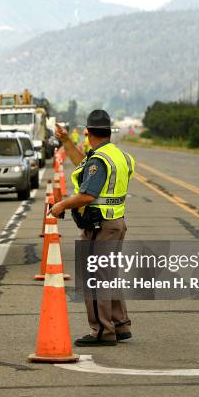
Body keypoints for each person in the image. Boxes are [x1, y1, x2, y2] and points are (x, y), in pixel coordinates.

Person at [50, 109, 135, 347]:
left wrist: (60, 205)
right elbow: (85, 166)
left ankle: (102, 331)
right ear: (109, 132)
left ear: (88, 133)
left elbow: (87, 194)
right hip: (116, 223)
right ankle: (119, 324)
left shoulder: (99, 160)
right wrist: (66, 140)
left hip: (101, 226)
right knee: (109, 276)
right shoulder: (117, 155)